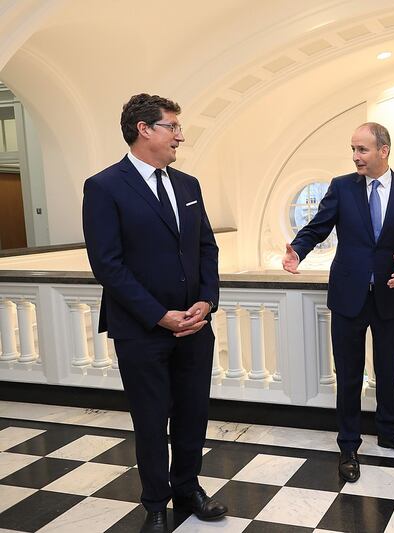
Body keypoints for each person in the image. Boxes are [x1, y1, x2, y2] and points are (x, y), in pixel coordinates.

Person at [82, 94, 227, 532]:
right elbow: (108, 265)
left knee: (192, 413)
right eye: (172, 126)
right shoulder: (104, 187)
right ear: (144, 129)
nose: (179, 135)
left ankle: (188, 487)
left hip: (195, 326)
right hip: (141, 329)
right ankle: (155, 503)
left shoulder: (188, 185)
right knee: (150, 419)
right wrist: (159, 315)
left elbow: (206, 247)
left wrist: (208, 299)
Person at [282, 122, 394, 482]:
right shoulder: (341, 187)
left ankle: (390, 433)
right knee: (348, 375)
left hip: (389, 296)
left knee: (387, 372)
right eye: (353, 149)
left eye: (362, 150)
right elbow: (318, 227)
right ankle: (348, 444)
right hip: (348, 296)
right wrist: (297, 252)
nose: (355, 157)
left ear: (383, 151)